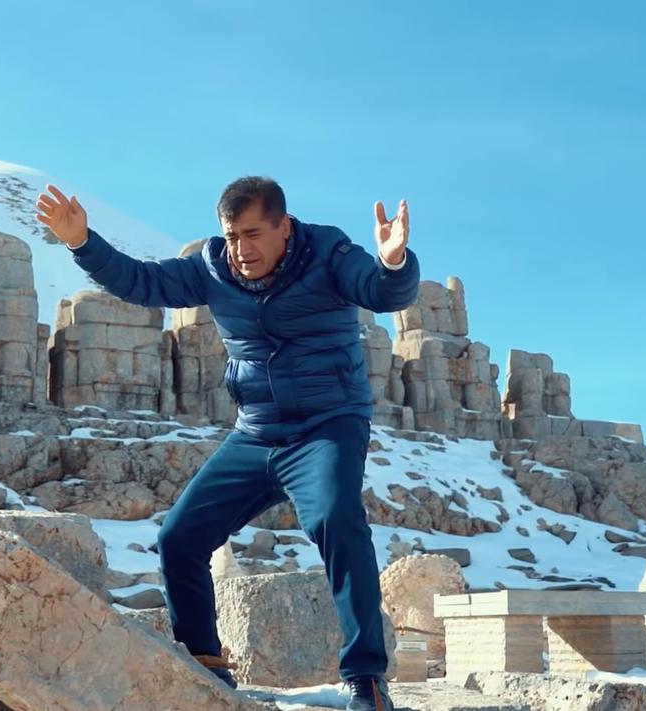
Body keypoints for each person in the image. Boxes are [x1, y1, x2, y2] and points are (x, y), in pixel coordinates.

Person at [36, 176, 418, 711]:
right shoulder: (213, 266)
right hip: (257, 432)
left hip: (328, 424)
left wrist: (394, 262)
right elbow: (142, 283)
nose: (241, 249)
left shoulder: (329, 252)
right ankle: (204, 668)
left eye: (253, 233)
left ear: (285, 227)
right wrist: (83, 242)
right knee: (178, 539)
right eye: (232, 235)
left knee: (337, 519)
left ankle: (367, 680)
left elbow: (379, 291)